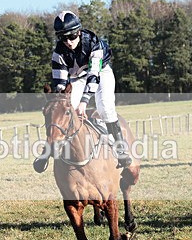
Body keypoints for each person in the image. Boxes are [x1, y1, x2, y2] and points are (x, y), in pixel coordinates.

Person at [34, 10, 131, 171]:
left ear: (79, 32)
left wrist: (84, 103)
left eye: (71, 36)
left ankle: (121, 149)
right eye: (63, 38)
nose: (68, 41)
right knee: (62, 108)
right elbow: (60, 84)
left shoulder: (94, 44)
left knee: (105, 107)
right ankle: (47, 150)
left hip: (101, 73)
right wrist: (61, 100)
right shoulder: (58, 53)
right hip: (77, 78)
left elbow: (94, 76)